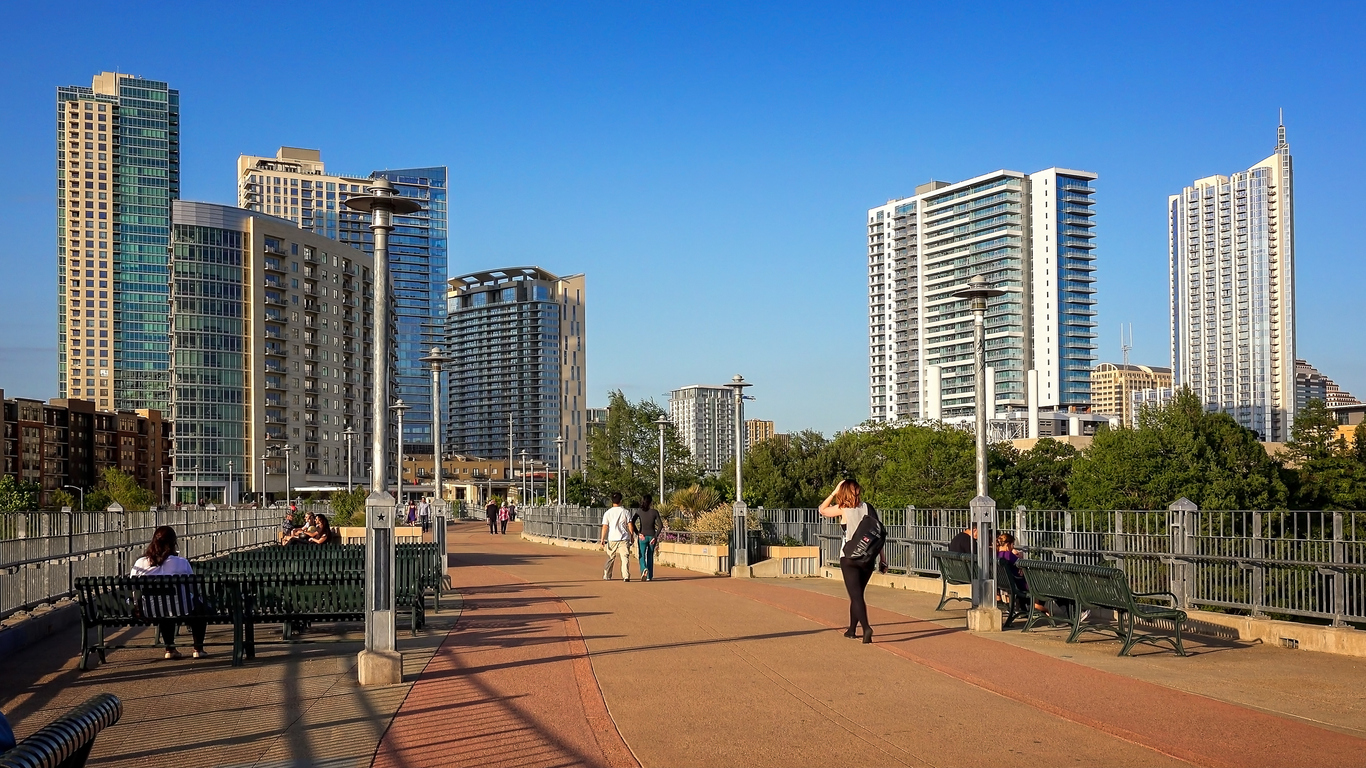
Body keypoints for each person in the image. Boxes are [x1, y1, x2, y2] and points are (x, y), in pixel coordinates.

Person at [818, 479, 887, 644]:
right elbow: (877, 535)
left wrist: (834, 492)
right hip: (867, 558)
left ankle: (866, 628)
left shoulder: (842, 509)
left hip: (849, 559)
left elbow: (822, 510)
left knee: (856, 597)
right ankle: (851, 630)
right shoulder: (867, 507)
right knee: (858, 596)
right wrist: (882, 558)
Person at [130, 526, 207, 660]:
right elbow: (193, 586)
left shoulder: (140, 563)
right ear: (173, 543)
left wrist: (137, 606)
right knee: (194, 607)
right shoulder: (181, 563)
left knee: (163, 608)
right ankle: (198, 649)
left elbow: (133, 590)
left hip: (149, 610)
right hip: (180, 609)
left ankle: (170, 649)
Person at [599, 492, 636, 582]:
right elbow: (630, 524)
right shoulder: (625, 512)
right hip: (623, 538)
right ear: (621, 501)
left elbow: (605, 526)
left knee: (610, 557)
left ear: (612, 501)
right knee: (625, 557)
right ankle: (626, 575)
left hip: (612, 538)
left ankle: (607, 575)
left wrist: (602, 539)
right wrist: (632, 535)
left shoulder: (608, 513)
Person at [632, 494, 663, 581]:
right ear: (651, 502)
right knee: (650, 555)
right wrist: (655, 536)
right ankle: (649, 576)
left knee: (641, 555)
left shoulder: (639, 511)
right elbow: (660, 525)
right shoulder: (654, 512)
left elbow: (632, 522)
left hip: (642, 536)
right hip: (652, 536)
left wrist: (638, 533)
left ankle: (644, 569)